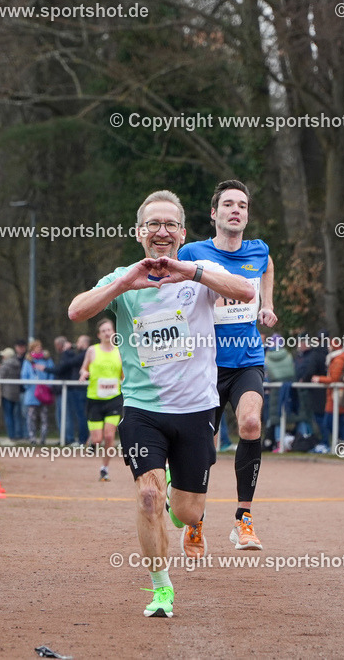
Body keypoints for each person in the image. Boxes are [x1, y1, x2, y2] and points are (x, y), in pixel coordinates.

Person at [68, 189, 254, 618]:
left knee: (187, 513)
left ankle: (178, 496)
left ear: (183, 233)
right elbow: (76, 311)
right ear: (140, 232)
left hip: (196, 410)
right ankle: (161, 588)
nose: (162, 231)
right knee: (148, 497)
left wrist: (190, 272)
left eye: (170, 224)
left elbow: (245, 291)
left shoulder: (200, 271)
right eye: (153, 224)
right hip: (143, 410)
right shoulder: (123, 277)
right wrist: (122, 284)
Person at [177, 179, 276, 550]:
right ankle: (195, 520)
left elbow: (268, 266)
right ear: (214, 213)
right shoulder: (192, 252)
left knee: (250, 422)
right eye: (229, 204)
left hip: (247, 359)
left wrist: (267, 304)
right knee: (205, 446)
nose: (237, 210)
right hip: (205, 364)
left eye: (243, 205)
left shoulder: (258, 250)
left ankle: (243, 519)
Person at [79, 318, 122, 481]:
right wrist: (84, 373)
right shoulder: (92, 350)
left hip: (114, 399)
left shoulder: (119, 351)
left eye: (109, 330)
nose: (106, 333)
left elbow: (124, 375)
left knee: (109, 436)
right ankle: (92, 441)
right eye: (103, 331)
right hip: (95, 400)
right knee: (98, 439)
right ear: (98, 335)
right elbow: (83, 368)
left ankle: (105, 468)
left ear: (114, 332)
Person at [20, 340, 54, 445]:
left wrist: (48, 385)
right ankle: (32, 437)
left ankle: (43, 438)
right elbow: (24, 376)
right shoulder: (28, 361)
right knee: (31, 417)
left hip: (44, 393)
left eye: (40, 346)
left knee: (44, 417)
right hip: (32, 393)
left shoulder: (47, 360)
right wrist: (28, 385)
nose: (39, 348)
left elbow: (52, 373)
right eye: (36, 347)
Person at [0, 347, 24, 439]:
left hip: (6, 393)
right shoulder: (18, 364)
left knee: (8, 416)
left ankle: (11, 436)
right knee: (16, 415)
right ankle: (18, 434)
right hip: (16, 393)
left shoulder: (5, 365)